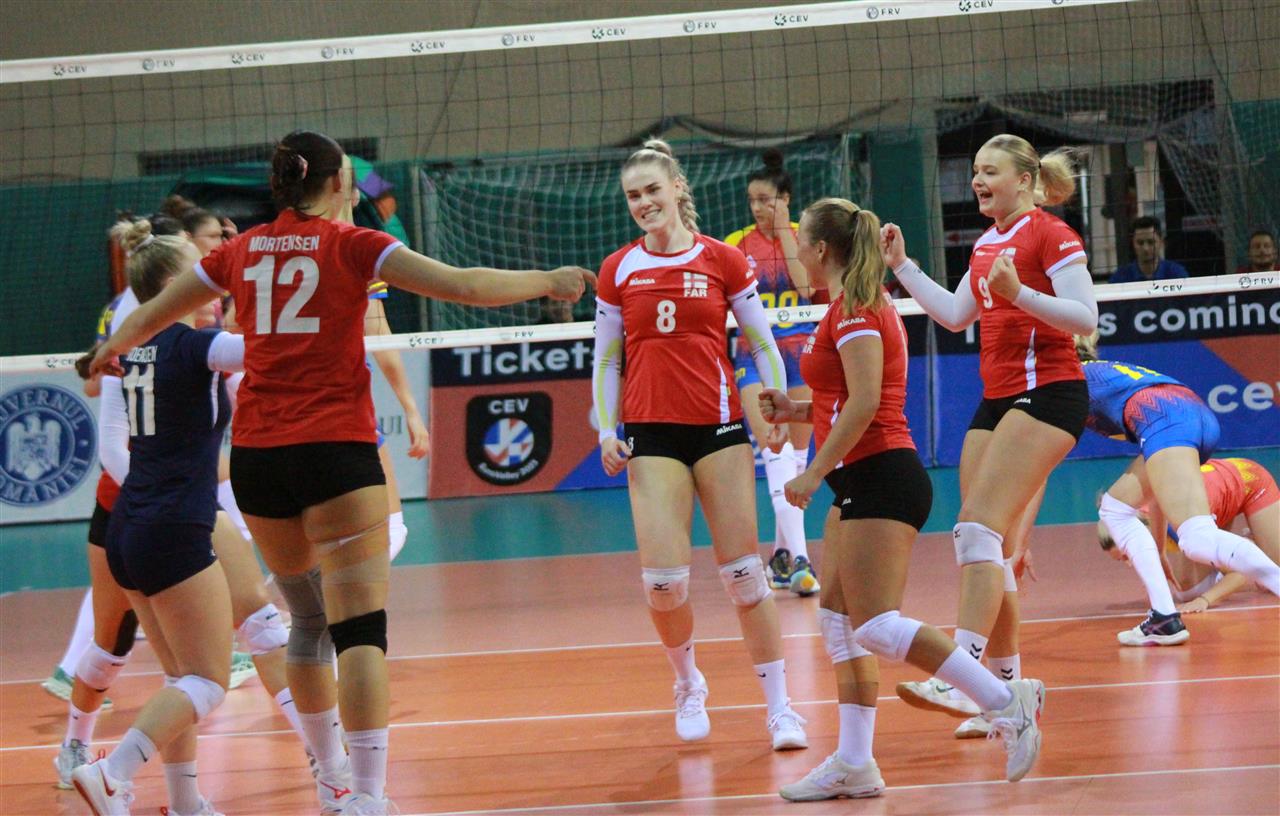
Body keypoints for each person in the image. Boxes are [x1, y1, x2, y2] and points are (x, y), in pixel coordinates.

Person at [91, 130, 593, 816]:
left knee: (305, 620)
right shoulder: (354, 245)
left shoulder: (242, 250)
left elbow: (153, 313)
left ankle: (329, 777)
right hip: (335, 453)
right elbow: (465, 285)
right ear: (335, 185)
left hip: (260, 461)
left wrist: (107, 352)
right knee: (359, 632)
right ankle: (366, 795)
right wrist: (548, 281)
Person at [760, 197, 1046, 799]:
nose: (794, 250)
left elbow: (868, 404)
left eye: (799, 239)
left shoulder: (858, 309)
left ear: (819, 250)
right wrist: (795, 409)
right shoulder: (844, 305)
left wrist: (812, 472)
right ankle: (854, 763)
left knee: (876, 625)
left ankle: (1004, 701)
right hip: (862, 478)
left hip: (883, 475)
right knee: (839, 623)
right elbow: (846, 399)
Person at [592, 138, 808, 750]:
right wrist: (606, 429)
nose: (643, 203)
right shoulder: (618, 269)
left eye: (652, 191)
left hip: (717, 430)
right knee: (663, 583)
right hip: (651, 433)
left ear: (676, 190)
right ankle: (688, 682)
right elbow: (607, 359)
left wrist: (776, 402)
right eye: (633, 196)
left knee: (744, 576)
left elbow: (762, 341)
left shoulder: (722, 260)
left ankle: (781, 708)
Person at [887, 135, 1099, 727]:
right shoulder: (985, 243)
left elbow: (1086, 318)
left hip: (1051, 392)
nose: (978, 182)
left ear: (1024, 180)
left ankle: (962, 675)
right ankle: (1005, 698)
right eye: (975, 172)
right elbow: (956, 316)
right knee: (987, 547)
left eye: (990, 172)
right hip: (998, 398)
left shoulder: (1051, 233)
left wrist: (1019, 293)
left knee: (976, 528)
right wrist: (902, 266)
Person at [71, 219, 247, 816]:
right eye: (201, 274)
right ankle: (111, 773)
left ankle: (185, 802)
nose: (212, 282)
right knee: (208, 681)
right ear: (175, 287)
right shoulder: (195, 346)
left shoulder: (133, 347)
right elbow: (262, 352)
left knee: (182, 681)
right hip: (172, 527)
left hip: (128, 527)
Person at [1075, 336, 1280, 645]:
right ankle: (1164, 618)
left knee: (1197, 539)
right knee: (1115, 508)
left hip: (1166, 419)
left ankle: (1165, 617)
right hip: (1188, 413)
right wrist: (1157, 550)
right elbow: (1157, 492)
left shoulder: (1066, 381)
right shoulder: (1098, 371)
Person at [724, 148, 822, 596]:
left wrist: (784, 230)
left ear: (785, 200)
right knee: (774, 449)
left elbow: (807, 287)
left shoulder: (806, 237)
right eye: (753, 201)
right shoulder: (736, 243)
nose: (758, 208)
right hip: (756, 355)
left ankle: (782, 557)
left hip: (802, 351)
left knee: (797, 460)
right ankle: (800, 560)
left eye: (766, 200)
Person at [1099, 457, 1279, 612]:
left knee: (1269, 573)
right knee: (1188, 589)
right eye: (1122, 559)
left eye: (1126, 555)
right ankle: (1244, 544)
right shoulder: (1145, 519)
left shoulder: (1180, 528)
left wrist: (1205, 600)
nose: (1130, 562)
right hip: (1214, 499)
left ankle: (1250, 546)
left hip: (1250, 482)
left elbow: (1240, 573)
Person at [1108, 216, 1189, 284]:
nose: (1145, 248)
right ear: (1133, 244)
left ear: (1161, 242)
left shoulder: (1177, 274)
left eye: (1151, 242)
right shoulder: (1119, 279)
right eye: (1140, 243)